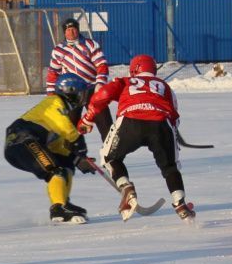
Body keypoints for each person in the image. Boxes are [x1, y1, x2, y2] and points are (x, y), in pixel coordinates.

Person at [78, 54, 195, 222]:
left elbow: (102, 95)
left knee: (109, 157)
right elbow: (174, 115)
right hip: (161, 124)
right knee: (170, 166)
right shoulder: (165, 86)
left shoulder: (125, 81)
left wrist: (87, 119)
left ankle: (126, 186)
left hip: (130, 121)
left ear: (134, 69)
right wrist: (171, 138)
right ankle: (180, 203)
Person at [5, 72, 96, 224]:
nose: (84, 97)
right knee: (55, 170)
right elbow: (66, 129)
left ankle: (62, 202)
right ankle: (59, 208)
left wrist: (75, 158)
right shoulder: (55, 102)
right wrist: (80, 147)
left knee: (66, 164)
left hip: (29, 142)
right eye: (81, 93)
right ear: (70, 92)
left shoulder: (62, 110)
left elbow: (57, 143)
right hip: (21, 141)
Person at [45, 18, 112, 144]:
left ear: (78, 30)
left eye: (74, 29)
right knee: (69, 126)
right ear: (64, 32)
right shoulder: (58, 50)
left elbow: (102, 65)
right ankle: (75, 154)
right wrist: (51, 95)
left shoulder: (90, 45)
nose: (71, 32)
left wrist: (100, 83)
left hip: (91, 89)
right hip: (71, 93)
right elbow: (53, 72)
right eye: (68, 30)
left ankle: (111, 155)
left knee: (105, 124)